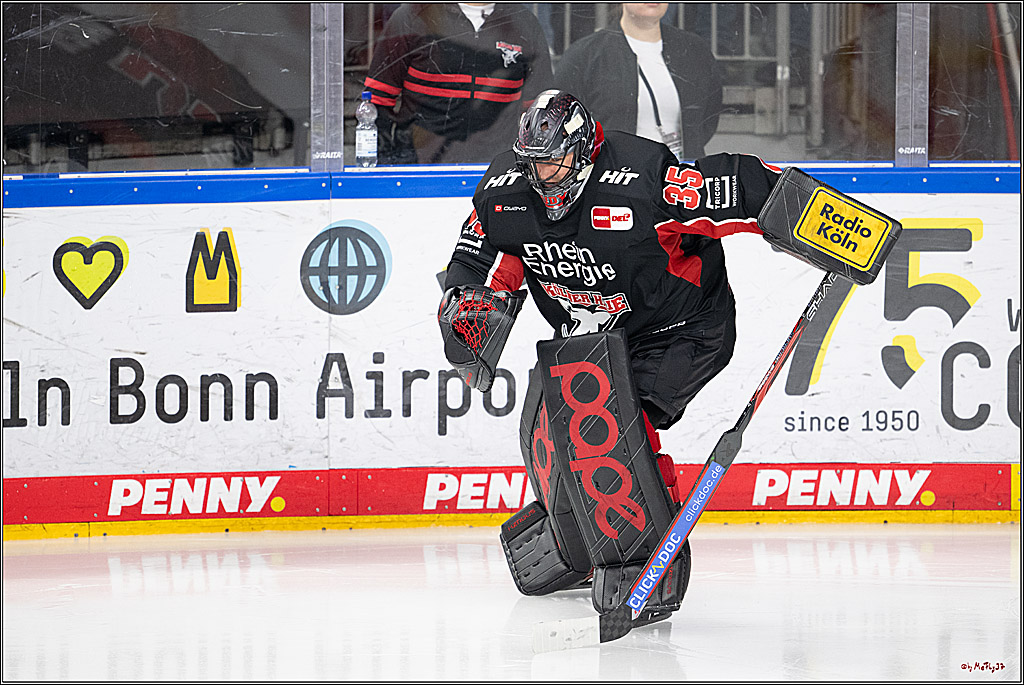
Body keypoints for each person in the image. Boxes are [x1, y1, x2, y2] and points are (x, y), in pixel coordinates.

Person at [437, 90, 785, 618]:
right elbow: (486, 244)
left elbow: (739, 189)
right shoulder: (509, 187)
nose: (542, 177)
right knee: (546, 427)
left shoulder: (641, 181)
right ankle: (574, 536)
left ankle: (647, 556)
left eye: (552, 164)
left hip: (682, 327)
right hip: (593, 335)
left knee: (612, 427)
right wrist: (468, 296)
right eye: (533, 164)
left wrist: (816, 219)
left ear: (580, 152)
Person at [362, 3, 554, 165]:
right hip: (419, 174)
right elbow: (376, 99)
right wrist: (390, 165)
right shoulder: (412, 15)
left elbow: (540, 109)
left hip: (498, 176)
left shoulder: (525, 23)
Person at [554, 2, 723, 160]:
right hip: (615, 178)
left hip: (680, 177)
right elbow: (563, 121)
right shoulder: (585, 54)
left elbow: (709, 113)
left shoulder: (694, 49)